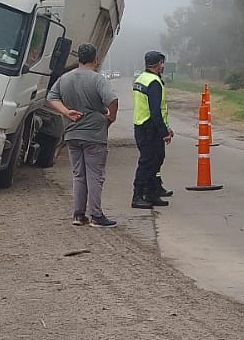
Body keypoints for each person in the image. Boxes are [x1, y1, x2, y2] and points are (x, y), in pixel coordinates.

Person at [47, 43, 119, 227]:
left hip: (72, 133)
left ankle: (78, 215)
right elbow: (112, 100)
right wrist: (110, 118)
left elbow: (51, 98)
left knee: (78, 175)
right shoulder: (97, 79)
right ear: (96, 59)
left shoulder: (65, 79)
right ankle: (96, 215)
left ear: (78, 59)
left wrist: (66, 112)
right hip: (94, 134)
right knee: (95, 175)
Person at [132, 50, 173, 210]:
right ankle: (138, 196)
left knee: (155, 160)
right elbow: (156, 111)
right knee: (147, 162)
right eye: (162, 63)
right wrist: (164, 133)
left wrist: (166, 127)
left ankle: (151, 193)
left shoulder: (141, 78)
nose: (163, 66)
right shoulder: (154, 82)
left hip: (142, 125)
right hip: (150, 127)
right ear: (158, 64)